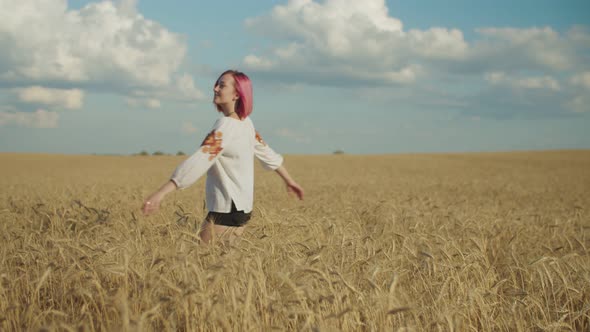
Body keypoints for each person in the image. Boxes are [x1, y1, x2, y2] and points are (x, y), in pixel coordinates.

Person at [141, 70, 304, 244]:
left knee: (199, 262)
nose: (215, 88)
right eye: (216, 84)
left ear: (236, 94)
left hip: (226, 207)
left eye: (222, 85)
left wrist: (161, 193)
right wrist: (289, 180)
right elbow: (267, 152)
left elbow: (201, 158)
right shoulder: (246, 123)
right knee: (223, 266)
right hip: (242, 210)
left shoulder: (226, 126)